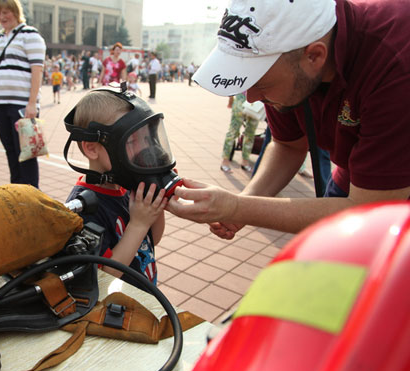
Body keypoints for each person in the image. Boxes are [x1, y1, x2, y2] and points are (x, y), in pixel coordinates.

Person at [168, 0, 410, 239]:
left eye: (260, 82)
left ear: (314, 56)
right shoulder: (291, 61)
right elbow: (288, 145)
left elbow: (369, 212)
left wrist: (237, 208)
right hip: (356, 176)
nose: (251, 98)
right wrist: (242, 205)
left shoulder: (396, 64)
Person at [64, 90, 167, 286]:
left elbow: (152, 239)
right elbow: (104, 277)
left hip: (145, 294)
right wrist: (138, 224)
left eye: (145, 139)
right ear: (92, 148)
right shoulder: (84, 210)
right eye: (132, 141)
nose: (143, 150)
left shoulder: (127, 184)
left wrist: (155, 208)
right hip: (120, 306)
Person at [0, 0, 46, 188]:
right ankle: (16, 191)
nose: (3, 17)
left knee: (26, 152)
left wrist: (32, 103)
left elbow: (37, 70)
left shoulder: (30, 35)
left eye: (7, 12)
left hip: (21, 104)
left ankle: (31, 195)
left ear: (16, 12)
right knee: (10, 151)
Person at [220, 94, 259, 173]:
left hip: (256, 102)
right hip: (241, 99)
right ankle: (225, 161)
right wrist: (231, 98)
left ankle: (245, 161)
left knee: (250, 133)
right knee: (233, 132)